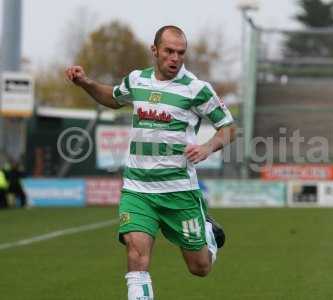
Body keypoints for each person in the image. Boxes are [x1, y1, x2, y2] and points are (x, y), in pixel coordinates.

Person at [66, 25, 236, 300]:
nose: (175, 58)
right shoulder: (137, 80)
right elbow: (113, 97)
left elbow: (228, 128)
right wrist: (85, 83)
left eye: (181, 53)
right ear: (154, 50)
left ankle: (208, 234)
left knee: (200, 267)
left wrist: (207, 147)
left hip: (179, 192)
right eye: (169, 51)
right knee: (136, 256)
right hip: (138, 190)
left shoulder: (196, 89)